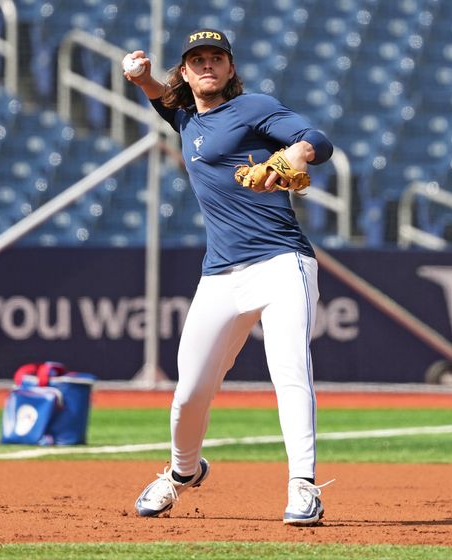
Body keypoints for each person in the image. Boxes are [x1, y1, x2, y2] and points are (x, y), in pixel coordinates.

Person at [123, 28, 334, 526]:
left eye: (217, 57)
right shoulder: (187, 119)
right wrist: (145, 78)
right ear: (186, 71)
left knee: (289, 372)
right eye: (197, 59)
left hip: (283, 262)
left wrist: (298, 153)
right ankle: (182, 473)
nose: (208, 65)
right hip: (220, 275)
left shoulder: (253, 108)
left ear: (230, 67)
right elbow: (164, 101)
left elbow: (317, 139)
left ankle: (303, 486)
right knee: (189, 392)